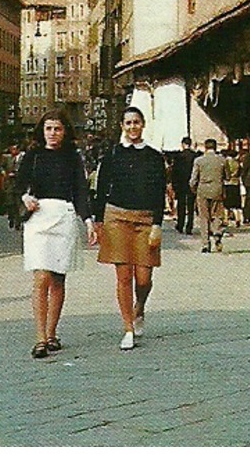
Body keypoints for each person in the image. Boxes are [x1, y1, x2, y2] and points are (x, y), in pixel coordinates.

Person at [18, 110, 96, 359]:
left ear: (65, 132)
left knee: (58, 279)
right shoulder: (33, 156)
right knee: (40, 277)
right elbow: (18, 184)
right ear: (42, 131)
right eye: (48, 128)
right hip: (39, 217)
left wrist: (88, 220)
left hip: (63, 215)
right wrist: (24, 197)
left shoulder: (73, 158)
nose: (52, 133)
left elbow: (80, 190)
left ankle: (52, 333)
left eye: (57, 129)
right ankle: (40, 338)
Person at [93, 106, 167, 351]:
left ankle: (140, 308)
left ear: (143, 125)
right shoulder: (113, 154)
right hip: (116, 217)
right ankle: (127, 328)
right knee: (123, 276)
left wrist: (158, 223)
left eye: (136, 122)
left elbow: (159, 192)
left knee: (144, 278)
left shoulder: (154, 157)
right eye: (128, 123)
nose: (133, 127)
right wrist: (97, 221)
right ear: (122, 126)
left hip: (146, 218)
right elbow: (102, 188)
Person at [189, 139, 228, 252]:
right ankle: (217, 232)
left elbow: (193, 179)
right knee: (217, 215)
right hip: (217, 190)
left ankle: (205, 244)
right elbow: (228, 176)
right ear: (215, 147)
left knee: (204, 217)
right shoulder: (222, 160)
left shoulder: (199, 161)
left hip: (203, 191)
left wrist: (194, 189)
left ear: (205, 147)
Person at [170, 137, 196, 235]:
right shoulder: (195, 156)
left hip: (181, 184)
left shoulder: (178, 157)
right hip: (192, 184)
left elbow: (174, 172)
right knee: (191, 206)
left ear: (182, 144)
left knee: (181, 205)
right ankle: (189, 226)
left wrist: (174, 184)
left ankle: (180, 225)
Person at [221, 142, 243, 228]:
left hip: (227, 183)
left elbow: (225, 173)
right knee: (236, 204)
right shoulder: (237, 163)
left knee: (227, 204)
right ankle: (238, 219)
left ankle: (226, 220)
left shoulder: (226, 162)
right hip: (236, 183)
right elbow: (239, 172)